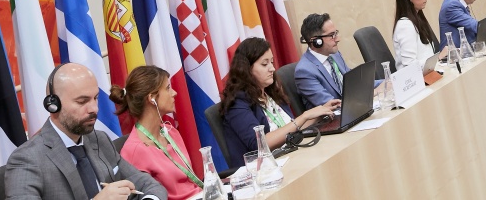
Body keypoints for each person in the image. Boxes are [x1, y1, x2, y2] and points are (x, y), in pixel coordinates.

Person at [5, 63, 166, 200]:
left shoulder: (99, 139)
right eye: (82, 101)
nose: (94, 109)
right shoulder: (27, 159)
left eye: (95, 98)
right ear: (53, 105)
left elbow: (149, 184)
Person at [220, 37, 337, 167]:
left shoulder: (270, 92)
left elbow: (292, 130)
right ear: (246, 69)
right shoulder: (237, 102)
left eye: (271, 62)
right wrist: (304, 116)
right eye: (265, 64)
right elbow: (259, 144)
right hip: (265, 170)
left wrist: (319, 113)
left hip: (292, 158)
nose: (272, 68)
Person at [109, 66, 201, 200]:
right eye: (168, 88)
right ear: (152, 98)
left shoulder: (171, 132)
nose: (174, 93)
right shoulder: (133, 152)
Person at [295, 13, 355, 108]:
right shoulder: (304, 71)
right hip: (333, 119)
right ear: (316, 41)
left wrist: (384, 83)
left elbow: (354, 81)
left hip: (352, 109)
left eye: (336, 33)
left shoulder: (335, 54)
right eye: (332, 35)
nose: (337, 39)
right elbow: (331, 104)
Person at [393, 0, 447, 69]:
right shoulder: (405, 25)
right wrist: (439, 57)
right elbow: (410, 66)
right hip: (415, 81)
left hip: (427, 73)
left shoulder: (417, 18)